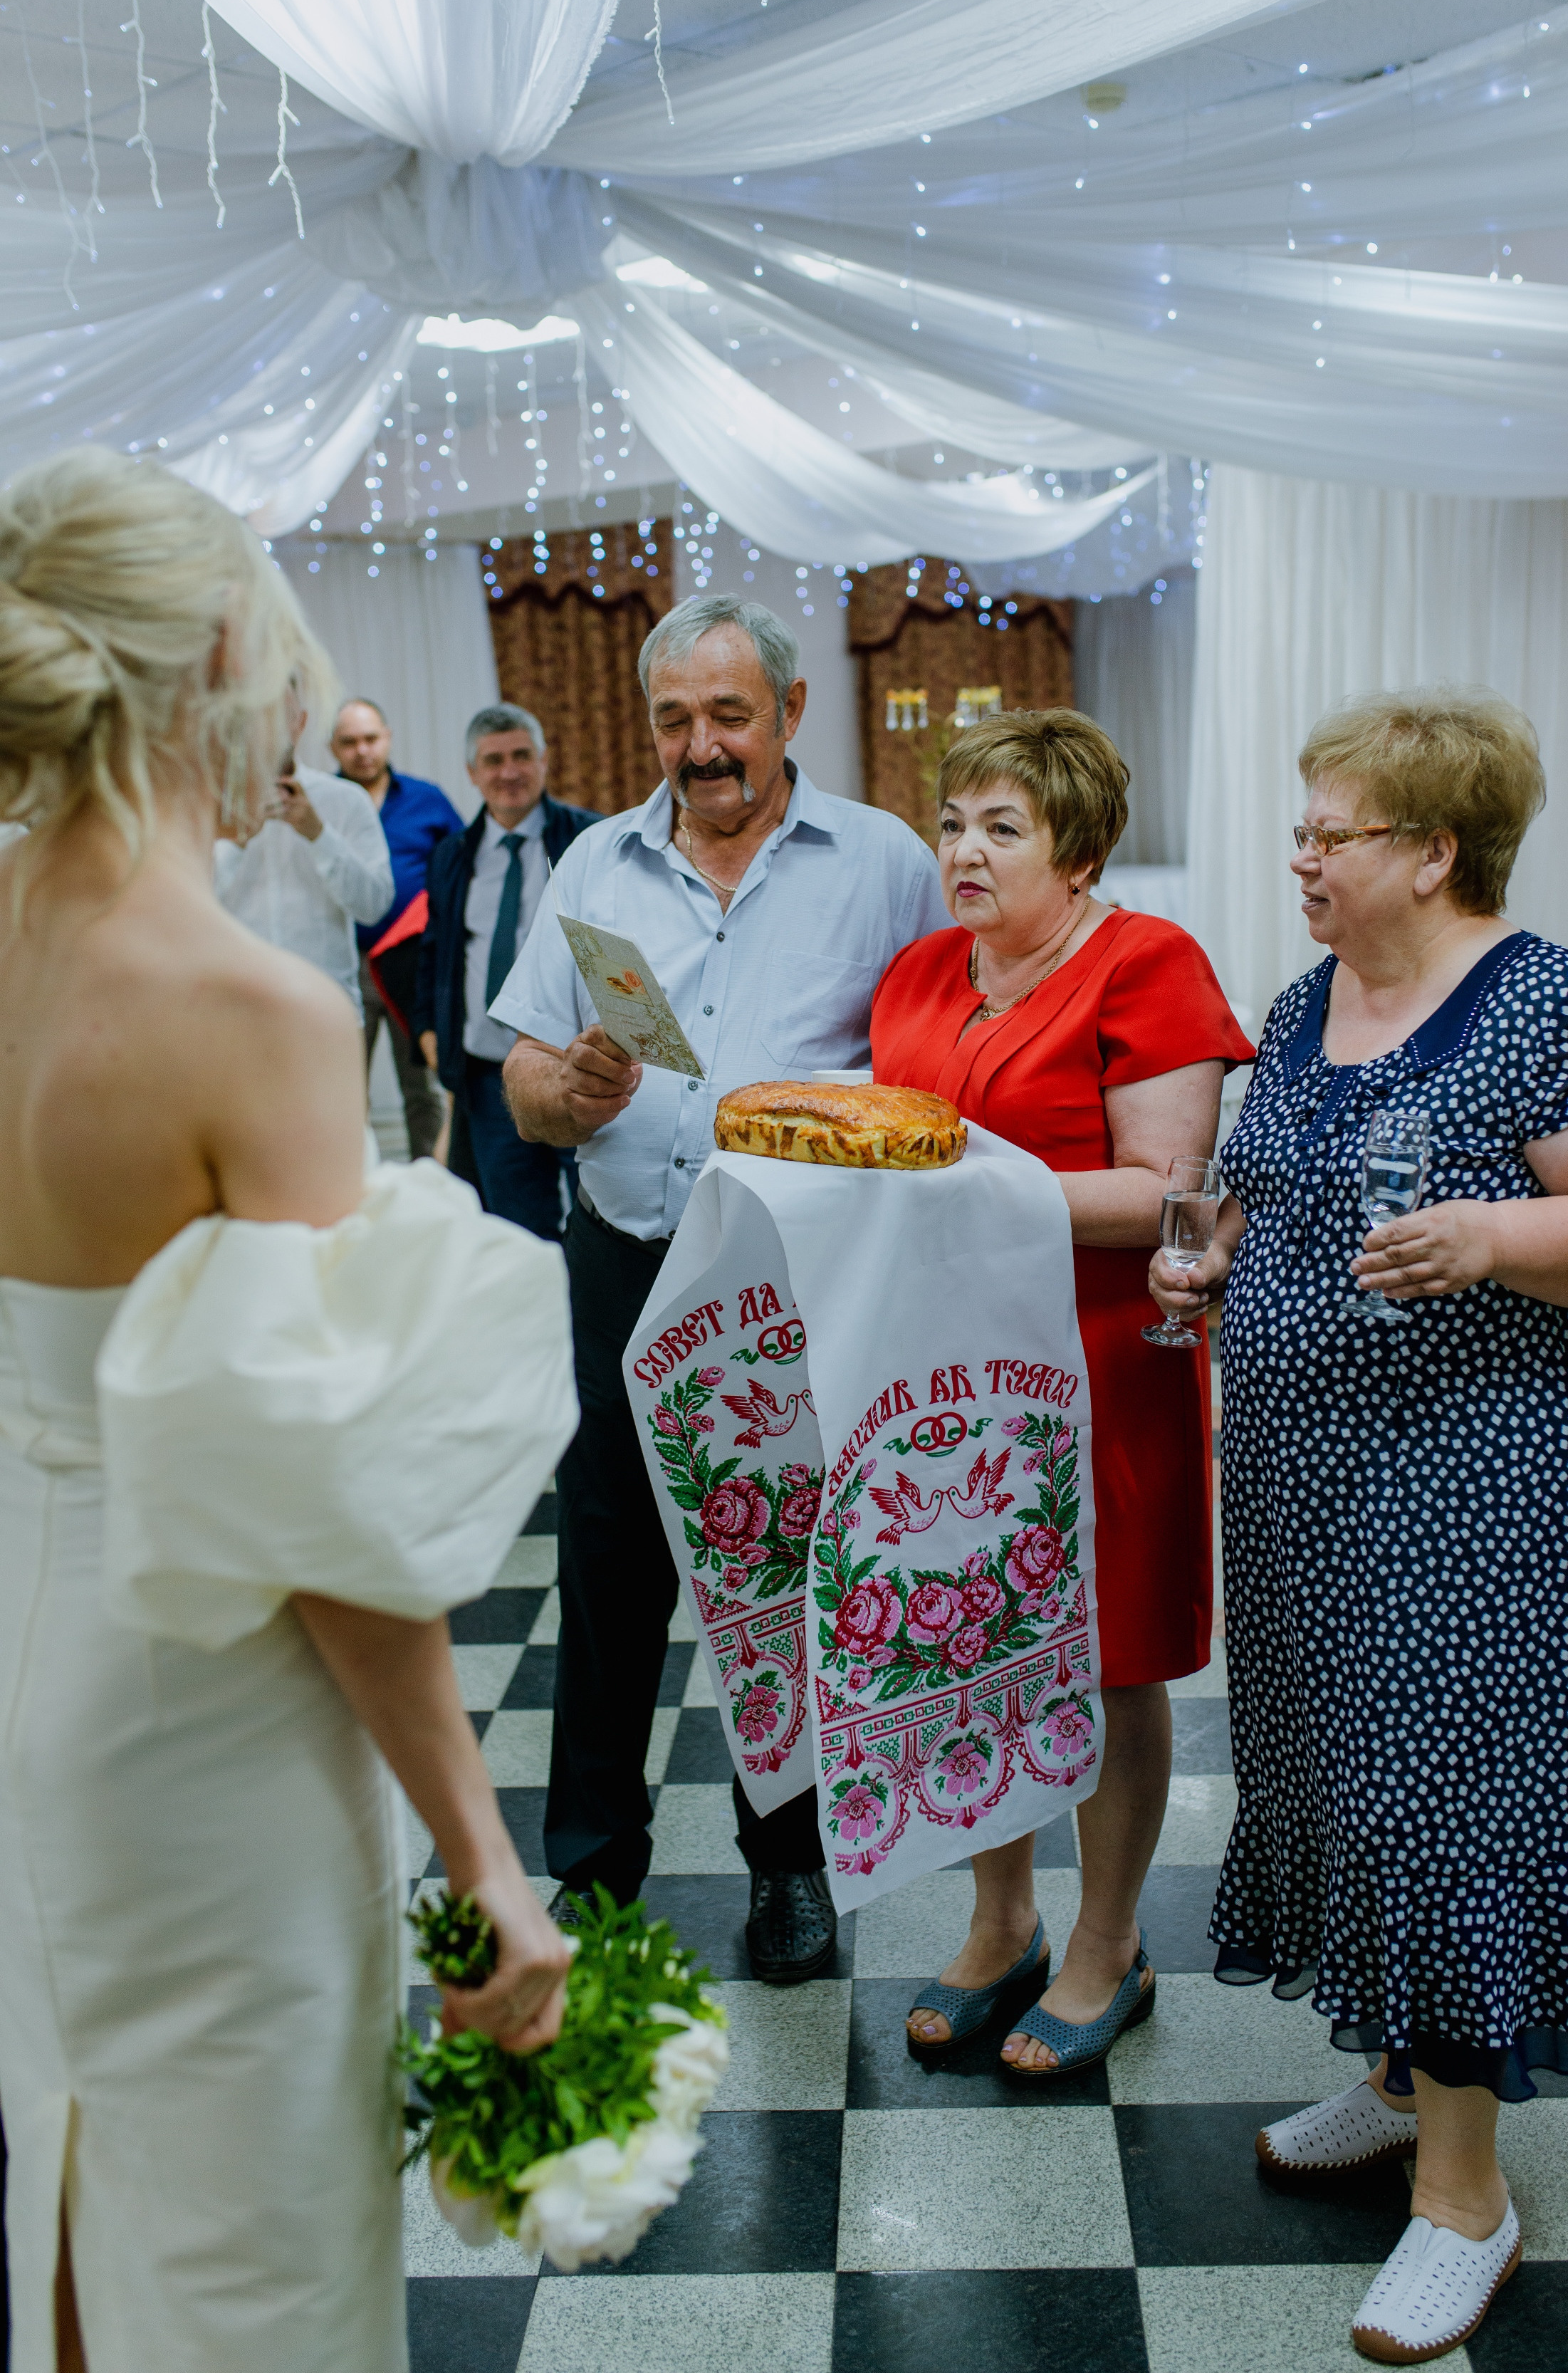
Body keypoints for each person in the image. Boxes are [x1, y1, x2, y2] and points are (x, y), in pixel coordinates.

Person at [0, 448, 578, 2373]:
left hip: (21, 1664)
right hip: (198, 1709)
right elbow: (322, 1529)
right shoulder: (248, 1007)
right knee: (249, 2242)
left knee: (59, 2165)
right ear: (229, 650)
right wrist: (488, 1865)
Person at [1149, 686, 1568, 2365]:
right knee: (1330, 1772)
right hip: (1301, 1473)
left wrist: (1490, 1233)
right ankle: (1396, 2076)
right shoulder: (1300, 994)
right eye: (1304, 828)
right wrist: (1215, 1257)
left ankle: (1462, 2198)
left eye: (1327, 831)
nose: (1298, 857)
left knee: (1444, 1802)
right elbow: (1276, 1184)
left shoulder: (1548, 999)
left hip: (1474, 1476)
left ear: (1429, 847)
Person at [491, 594, 941, 1980]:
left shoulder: (885, 863)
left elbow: (939, 1061)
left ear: (791, 714)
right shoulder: (593, 869)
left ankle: (791, 1867)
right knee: (610, 1558)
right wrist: (562, 1091)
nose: (702, 747)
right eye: (676, 719)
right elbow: (520, 1081)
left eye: (729, 715)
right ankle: (594, 1867)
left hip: (799, 1275)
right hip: (626, 1252)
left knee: (787, 1565)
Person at [867, 708, 1252, 2072]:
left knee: (1112, 1655)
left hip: (1100, 1358)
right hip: (945, 1364)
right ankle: (998, 1921)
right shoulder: (918, 974)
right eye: (953, 824)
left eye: (1002, 828)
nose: (965, 852)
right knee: (972, 1636)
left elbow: (1167, 1190)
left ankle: (1107, 1940)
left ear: (1078, 851)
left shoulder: (1147, 966)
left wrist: (962, 1185)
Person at [411, 704, 596, 1240]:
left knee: (594, 1215)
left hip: (575, 1067)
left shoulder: (589, 841)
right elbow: (435, 951)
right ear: (472, 773)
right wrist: (428, 1031)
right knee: (516, 1226)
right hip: (488, 1072)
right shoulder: (452, 855)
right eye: (493, 761)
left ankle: (587, 1320)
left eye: (521, 756)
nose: (508, 772)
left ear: (543, 761)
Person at [330, 697, 460, 1158]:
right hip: (345, 966)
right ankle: (347, 1187)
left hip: (411, 965)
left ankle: (431, 1181)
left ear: (386, 738)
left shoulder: (427, 799)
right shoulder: (322, 804)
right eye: (350, 742)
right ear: (333, 748)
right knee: (341, 1089)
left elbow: (457, 873)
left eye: (370, 739)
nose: (362, 751)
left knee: (422, 1088)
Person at [214, 706, 392, 1017]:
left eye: (278, 713)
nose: (266, 727)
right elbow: (188, 901)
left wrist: (319, 834)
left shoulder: (347, 801)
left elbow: (373, 906)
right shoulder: (211, 802)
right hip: (235, 1009)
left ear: (300, 721)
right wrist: (237, 840)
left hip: (326, 1011)